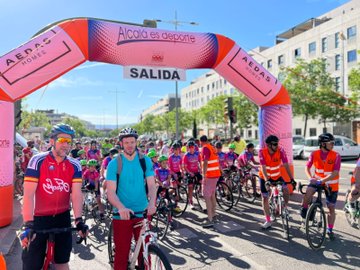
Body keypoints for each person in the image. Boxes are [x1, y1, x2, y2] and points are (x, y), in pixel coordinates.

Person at [20, 123, 88, 270]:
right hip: (38, 218)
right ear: (52, 141)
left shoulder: (75, 165)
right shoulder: (37, 160)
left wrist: (78, 220)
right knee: (31, 265)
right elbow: (28, 195)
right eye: (62, 140)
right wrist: (28, 223)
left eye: (69, 141)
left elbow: (76, 195)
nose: (66, 145)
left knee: (62, 263)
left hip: (62, 217)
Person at [106, 128, 157, 270]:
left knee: (145, 254)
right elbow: (110, 192)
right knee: (121, 256)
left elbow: (152, 185)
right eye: (126, 142)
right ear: (121, 143)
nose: (130, 145)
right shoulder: (114, 163)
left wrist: (152, 203)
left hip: (142, 212)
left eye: (132, 142)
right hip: (122, 214)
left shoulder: (145, 160)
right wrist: (121, 207)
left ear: (136, 143)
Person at [300, 133, 341, 240]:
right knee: (308, 192)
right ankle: (304, 208)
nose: (333, 144)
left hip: (331, 185)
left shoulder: (336, 156)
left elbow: (335, 173)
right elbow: (307, 167)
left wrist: (323, 180)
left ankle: (330, 230)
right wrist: (310, 178)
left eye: (333, 143)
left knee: (331, 208)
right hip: (317, 181)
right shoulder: (314, 154)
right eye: (331, 143)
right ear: (323, 144)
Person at [258, 135, 295, 229]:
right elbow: (263, 168)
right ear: (269, 145)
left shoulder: (280, 150)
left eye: (277, 143)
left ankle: (284, 208)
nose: (277, 146)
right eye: (275, 144)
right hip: (265, 177)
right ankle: (268, 220)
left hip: (277, 177)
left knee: (286, 191)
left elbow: (286, 164)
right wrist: (266, 181)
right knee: (265, 198)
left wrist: (292, 179)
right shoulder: (262, 152)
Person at [200, 135, 221, 228]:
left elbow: (205, 162)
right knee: (212, 195)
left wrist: (204, 175)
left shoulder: (205, 148)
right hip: (216, 174)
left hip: (209, 175)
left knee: (206, 196)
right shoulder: (212, 147)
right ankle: (213, 215)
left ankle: (210, 219)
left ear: (201, 142)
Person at [183, 140, 202, 209]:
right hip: (189, 172)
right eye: (189, 147)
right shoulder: (186, 155)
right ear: (187, 148)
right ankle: (190, 201)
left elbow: (200, 162)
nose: (191, 148)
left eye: (192, 147)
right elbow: (184, 167)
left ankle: (198, 191)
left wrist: (201, 169)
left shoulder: (197, 153)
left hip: (196, 171)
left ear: (194, 147)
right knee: (190, 187)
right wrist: (189, 173)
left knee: (201, 181)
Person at [346, 156, 360, 221]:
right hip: (357, 178)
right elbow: (358, 170)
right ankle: (350, 202)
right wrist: (357, 184)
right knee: (356, 191)